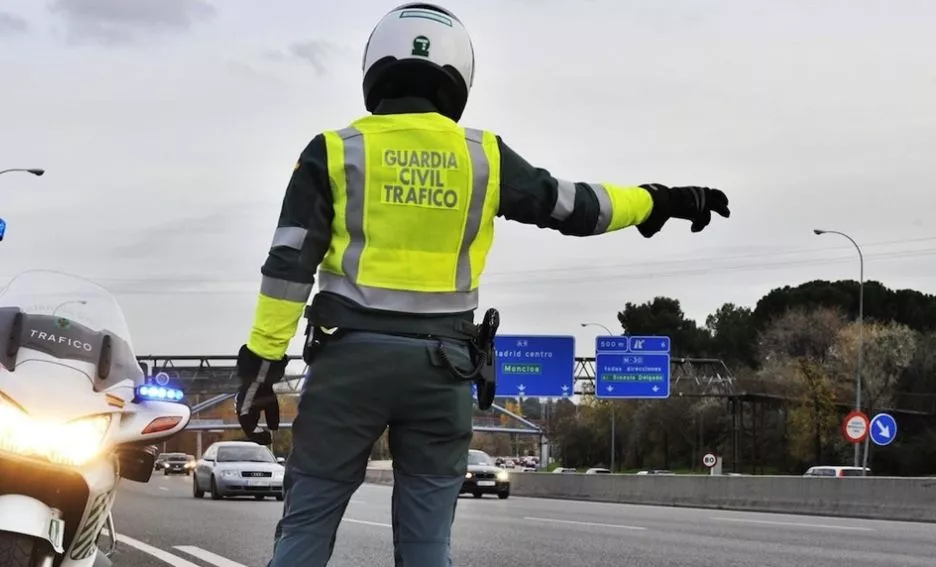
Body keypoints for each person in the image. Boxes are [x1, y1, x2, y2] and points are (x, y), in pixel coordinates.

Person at [233, 3, 730, 566]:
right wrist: (659, 200)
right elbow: (574, 205)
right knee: (426, 542)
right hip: (442, 371)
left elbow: (289, 264)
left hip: (348, 367)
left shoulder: (334, 150)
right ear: (458, 76)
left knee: (306, 524)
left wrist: (263, 361)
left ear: (374, 68)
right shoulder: (483, 157)